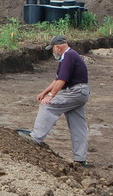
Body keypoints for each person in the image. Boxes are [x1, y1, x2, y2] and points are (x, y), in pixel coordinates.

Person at [17, 35, 90, 166]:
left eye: (52, 49)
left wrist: (50, 95)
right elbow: (57, 80)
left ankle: (36, 137)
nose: (52, 52)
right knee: (78, 126)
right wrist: (44, 92)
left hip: (75, 91)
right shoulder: (69, 56)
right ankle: (80, 159)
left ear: (58, 47)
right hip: (80, 92)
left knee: (48, 105)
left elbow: (62, 80)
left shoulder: (68, 56)